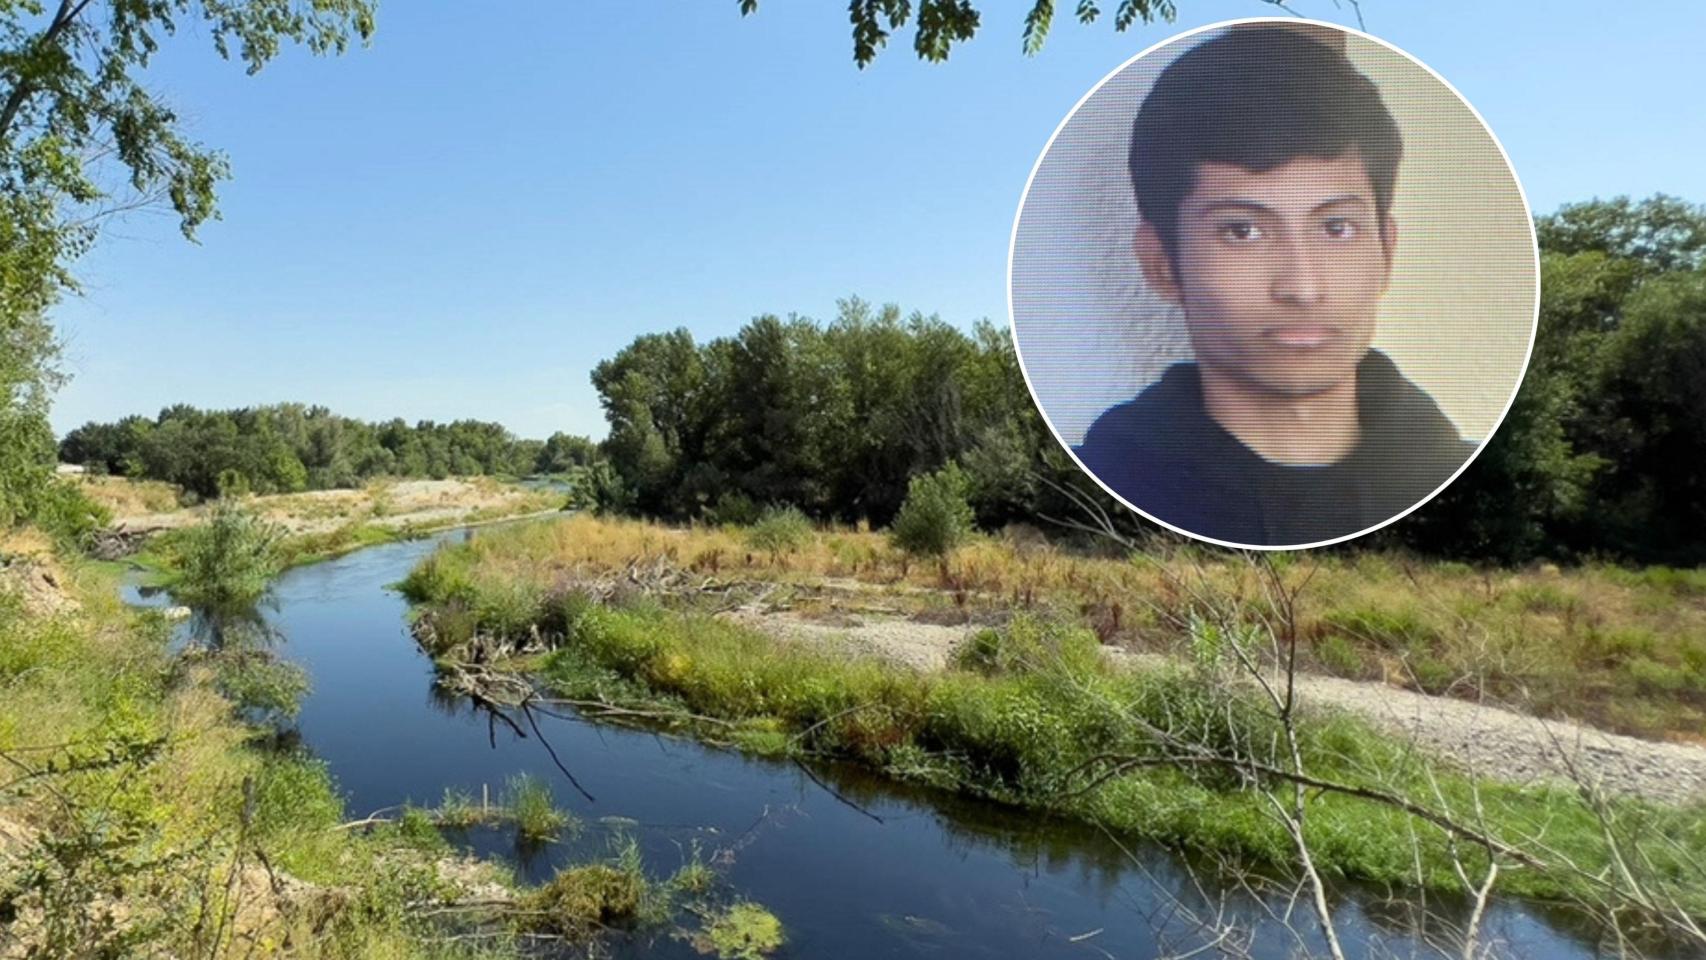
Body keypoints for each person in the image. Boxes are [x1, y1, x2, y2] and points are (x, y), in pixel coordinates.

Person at [1073, 25, 1475, 546]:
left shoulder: (1471, 488)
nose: (1302, 287)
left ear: (1386, 252)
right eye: (1242, 231)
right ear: (1161, 263)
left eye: (1337, 228)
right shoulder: (1103, 485)